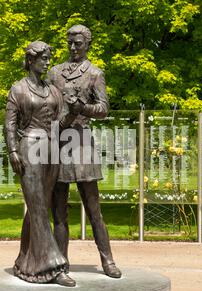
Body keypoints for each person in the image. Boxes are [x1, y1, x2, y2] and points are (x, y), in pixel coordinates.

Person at [47, 25, 122, 278]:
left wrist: (82, 108)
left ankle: (107, 260)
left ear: (88, 44)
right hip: (58, 142)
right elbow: (47, 106)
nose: (72, 47)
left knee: (93, 208)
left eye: (78, 43)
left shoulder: (95, 73)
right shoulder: (54, 73)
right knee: (58, 209)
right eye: (69, 42)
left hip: (81, 143)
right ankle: (60, 263)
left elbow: (103, 109)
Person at [4, 41, 78, 287]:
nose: (48, 62)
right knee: (37, 207)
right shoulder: (18, 89)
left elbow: (60, 122)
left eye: (48, 58)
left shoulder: (53, 90)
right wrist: (13, 150)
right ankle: (53, 266)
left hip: (51, 149)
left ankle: (25, 262)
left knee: (39, 207)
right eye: (43, 58)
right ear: (30, 60)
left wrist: (75, 111)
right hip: (29, 148)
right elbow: (10, 124)